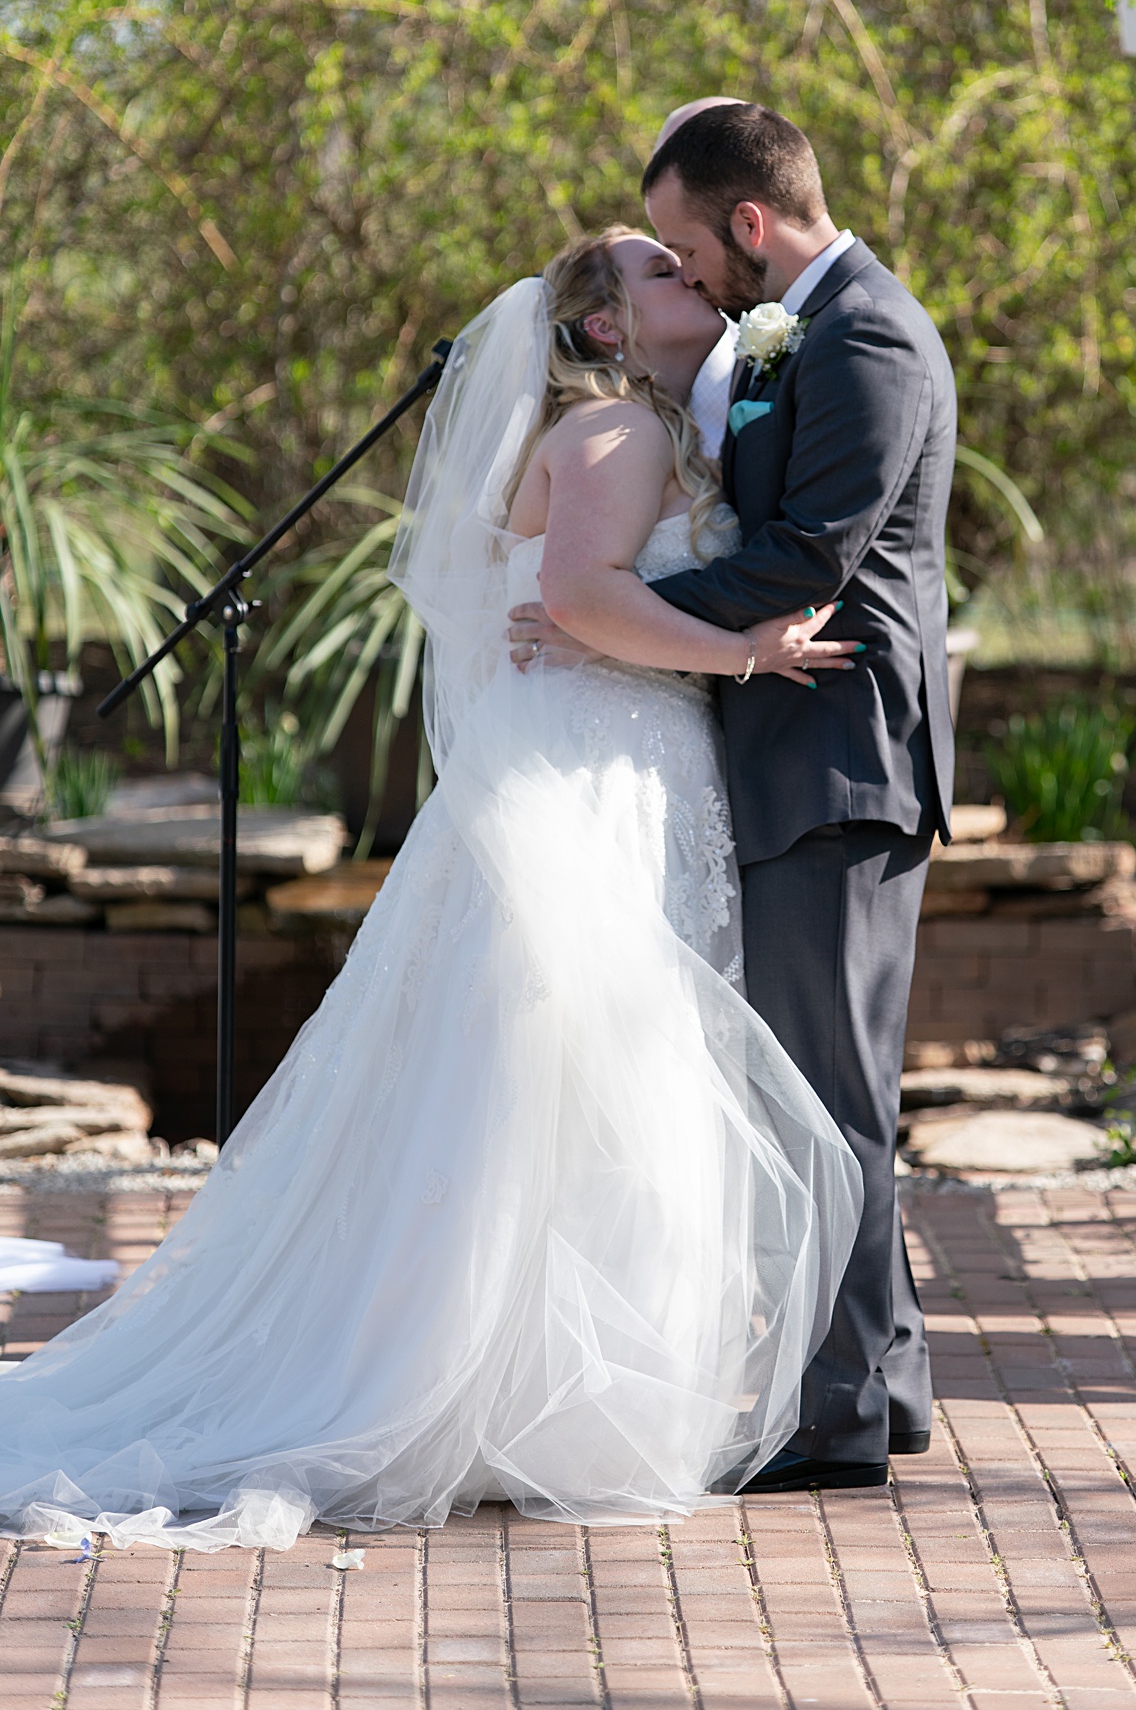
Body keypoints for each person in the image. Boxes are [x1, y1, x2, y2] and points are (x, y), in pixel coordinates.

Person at [0, 228, 861, 1551]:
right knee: (580, 1076)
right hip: (591, 774)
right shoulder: (620, 438)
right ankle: (529, 1395)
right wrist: (743, 654)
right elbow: (578, 596)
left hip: (580, 756)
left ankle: (524, 1379)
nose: (693, 275)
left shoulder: (639, 429)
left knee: (534, 1079)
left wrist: (640, 616)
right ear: (603, 330)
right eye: (660, 272)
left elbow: (573, 592)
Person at [513, 104, 958, 1492]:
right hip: (790, 755)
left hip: (835, 754)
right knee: (830, 1096)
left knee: (832, 1103)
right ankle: (883, 1384)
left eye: (695, 252)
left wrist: (606, 615)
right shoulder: (796, 333)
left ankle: (837, 1419)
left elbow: (805, 555)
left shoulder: (866, 335)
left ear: (750, 225)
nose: (694, 279)